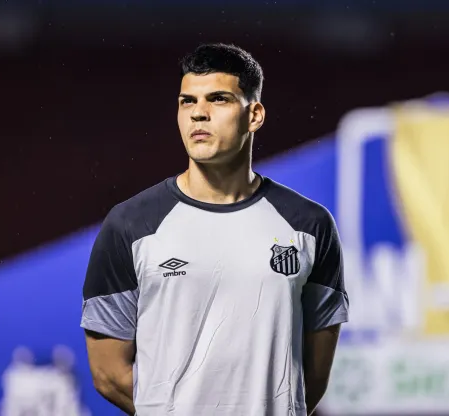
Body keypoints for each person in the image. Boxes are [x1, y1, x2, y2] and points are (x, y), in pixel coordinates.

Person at [80, 43, 349, 416]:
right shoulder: (130, 224)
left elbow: (313, 378)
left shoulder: (308, 225)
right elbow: (108, 373)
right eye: (187, 102)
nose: (198, 114)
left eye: (218, 99)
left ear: (254, 114)